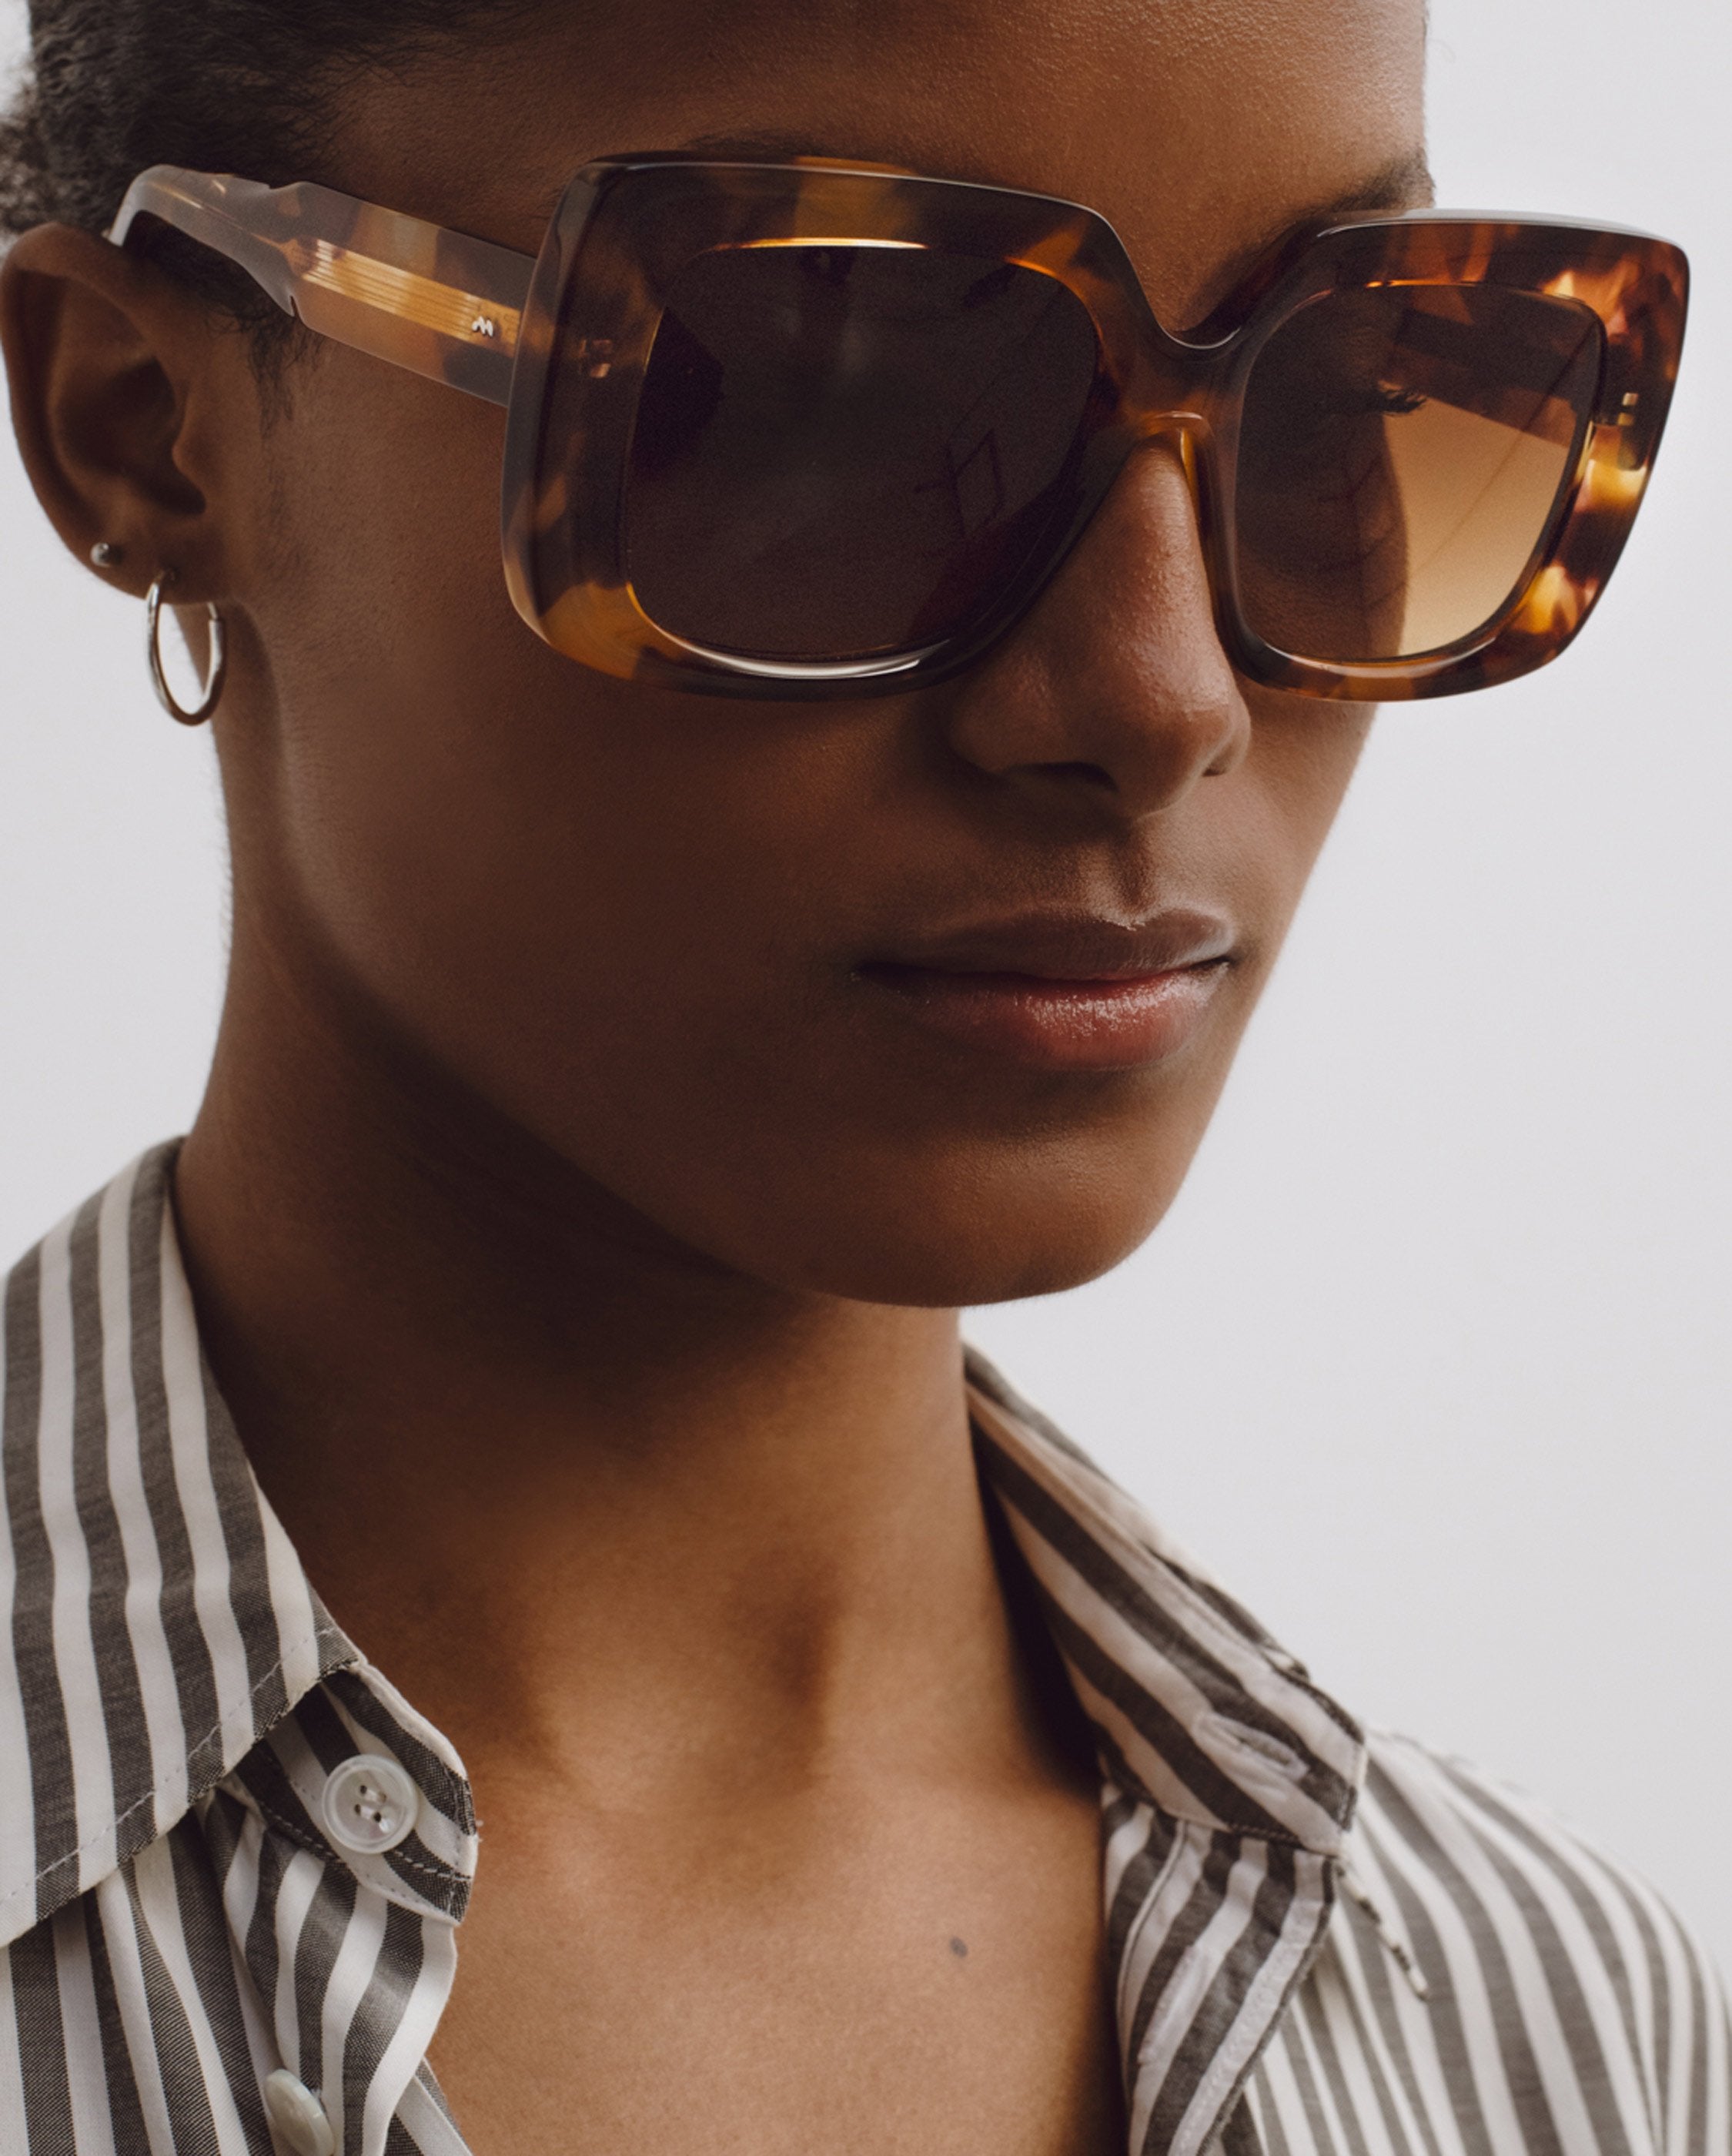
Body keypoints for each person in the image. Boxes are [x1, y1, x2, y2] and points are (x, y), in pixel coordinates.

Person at [0, 0, 1719, 2151]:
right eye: (833, 400)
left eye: (1351, 386)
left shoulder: (1550, 2034)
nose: (1160, 698)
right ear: (144, 426)